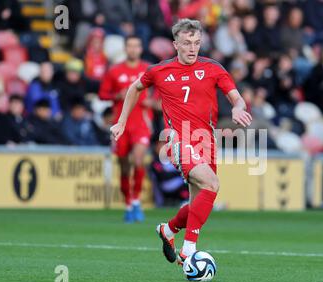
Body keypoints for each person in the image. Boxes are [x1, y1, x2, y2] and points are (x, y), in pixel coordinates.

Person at [110, 19, 252, 265]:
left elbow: (237, 98)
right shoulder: (160, 70)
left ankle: (168, 230)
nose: (192, 48)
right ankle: (189, 251)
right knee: (212, 183)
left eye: (196, 43)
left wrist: (238, 108)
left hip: (205, 141)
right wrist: (122, 121)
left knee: (200, 202)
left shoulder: (214, 68)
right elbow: (134, 88)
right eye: (187, 43)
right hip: (177, 138)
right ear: (175, 44)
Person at [99, 35, 153, 223]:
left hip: (141, 124)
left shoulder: (148, 69)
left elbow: (162, 92)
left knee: (138, 160)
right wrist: (116, 95)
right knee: (123, 167)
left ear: (140, 48)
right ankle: (128, 203)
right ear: (125, 48)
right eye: (129, 46)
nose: (133, 49)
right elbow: (102, 94)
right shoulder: (114, 71)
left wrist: (152, 103)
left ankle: (137, 200)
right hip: (121, 125)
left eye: (136, 45)